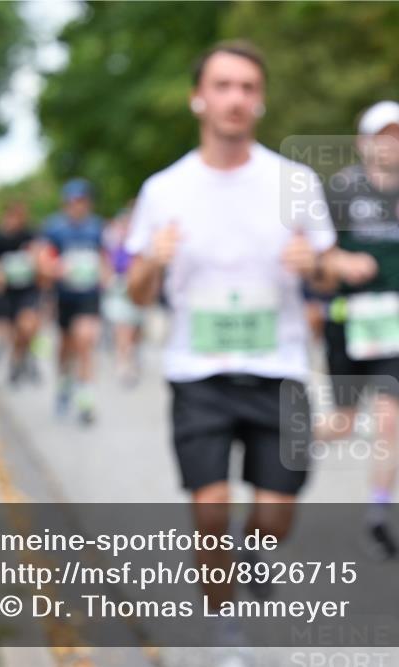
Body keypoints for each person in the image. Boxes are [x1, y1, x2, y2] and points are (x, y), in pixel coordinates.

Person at [124, 41, 336, 663]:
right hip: (199, 372)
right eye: (223, 85)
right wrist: (153, 263)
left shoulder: (294, 181)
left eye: (247, 87)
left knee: (274, 519)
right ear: (199, 98)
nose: (236, 97)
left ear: (260, 101)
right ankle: (226, 628)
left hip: (280, 369)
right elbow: (137, 293)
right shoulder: (164, 189)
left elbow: (327, 272)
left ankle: (252, 562)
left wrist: (315, 264)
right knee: (211, 507)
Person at [312, 100, 399, 560]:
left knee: (388, 417)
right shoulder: (340, 190)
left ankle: (379, 511)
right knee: (343, 422)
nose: (391, 144)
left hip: (392, 322)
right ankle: (291, 450)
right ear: (363, 143)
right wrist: (343, 262)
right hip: (348, 318)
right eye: (381, 135)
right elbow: (315, 251)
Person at [40, 178, 107, 425]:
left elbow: (104, 259)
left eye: (82, 202)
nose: (77, 206)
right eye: (72, 202)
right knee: (66, 348)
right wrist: (57, 269)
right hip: (65, 297)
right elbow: (44, 260)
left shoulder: (97, 227)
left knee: (85, 342)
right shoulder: (55, 228)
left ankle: (86, 399)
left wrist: (105, 274)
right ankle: (63, 385)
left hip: (88, 296)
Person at [0, 201, 43, 386]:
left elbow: (40, 256)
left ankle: (23, 358)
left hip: (28, 290)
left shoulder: (30, 236)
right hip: (8, 293)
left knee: (28, 326)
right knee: (15, 333)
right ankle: (17, 360)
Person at [101, 200, 146, 387]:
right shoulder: (115, 239)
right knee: (123, 329)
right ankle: (123, 363)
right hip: (119, 288)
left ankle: (130, 356)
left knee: (135, 329)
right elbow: (106, 260)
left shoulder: (142, 239)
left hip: (137, 291)